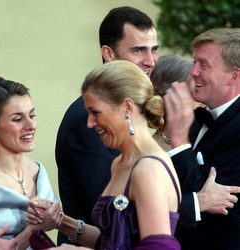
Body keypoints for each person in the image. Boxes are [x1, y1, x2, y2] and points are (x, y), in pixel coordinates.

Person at [32, 60, 181, 249]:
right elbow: (112, 241)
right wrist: (60, 221)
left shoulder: (149, 169)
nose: (90, 123)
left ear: (127, 107)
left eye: (96, 113)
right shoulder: (119, 163)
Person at [55, 6, 159, 245]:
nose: (150, 61)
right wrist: (194, 201)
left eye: (154, 49)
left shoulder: (128, 110)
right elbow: (115, 207)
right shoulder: (86, 118)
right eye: (138, 50)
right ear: (108, 54)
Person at [163, 28, 240, 250]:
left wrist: (178, 142)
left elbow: (217, 206)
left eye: (203, 64)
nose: (193, 72)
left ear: (234, 76)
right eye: (194, 62)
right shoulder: (196, 117)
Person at [0, 76, 62, 249]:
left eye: (32, 115)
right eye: (17, 119)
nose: (31, 125)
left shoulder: (37, 170)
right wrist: (35, 229)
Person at [150, 54, 201, 151]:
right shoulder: (150, 149)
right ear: (167, 98)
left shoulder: (202, 134)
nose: (201, 102)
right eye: (191, 94)